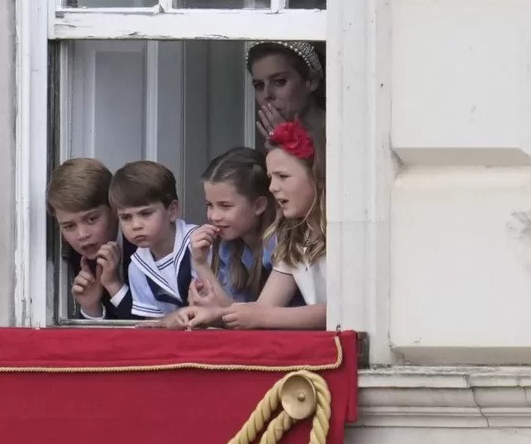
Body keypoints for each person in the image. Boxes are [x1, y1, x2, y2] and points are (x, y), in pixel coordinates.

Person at [148, 118, 327, 330]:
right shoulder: (294, 237)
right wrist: (202, 313)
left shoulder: (342, 234)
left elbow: (338, 311)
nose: (272, 188)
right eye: (271, 178)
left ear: (318, 177)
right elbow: (259, 311)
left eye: (283, 176)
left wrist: (227, 314)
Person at [46, 158, 137, 320]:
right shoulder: (75, 259)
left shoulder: (145, 242)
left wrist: (114, 284)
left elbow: (155, 325)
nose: (82, 235)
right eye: (69, 226)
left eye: (92, 219)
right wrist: (91, 307)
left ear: (115, 210)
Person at [108, 161, 198, 318]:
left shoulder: (199, 243)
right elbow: (153, 325)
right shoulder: (137, 268)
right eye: (126, 217)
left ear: (172, 210)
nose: (136, 225)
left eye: (145, 214)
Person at [188, 147, 276, 305]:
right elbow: (223, 306)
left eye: (225, 206)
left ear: (258, 205)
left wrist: (201, 265)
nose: (214, 216)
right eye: (210, 205)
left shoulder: (277, 244)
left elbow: (236, 314)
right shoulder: (228, 247)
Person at [246, 40, 326, 163]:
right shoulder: (267, 139)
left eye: (279, 81)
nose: (267, 94)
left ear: (311, 81)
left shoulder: (341, 134)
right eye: (259, 85)